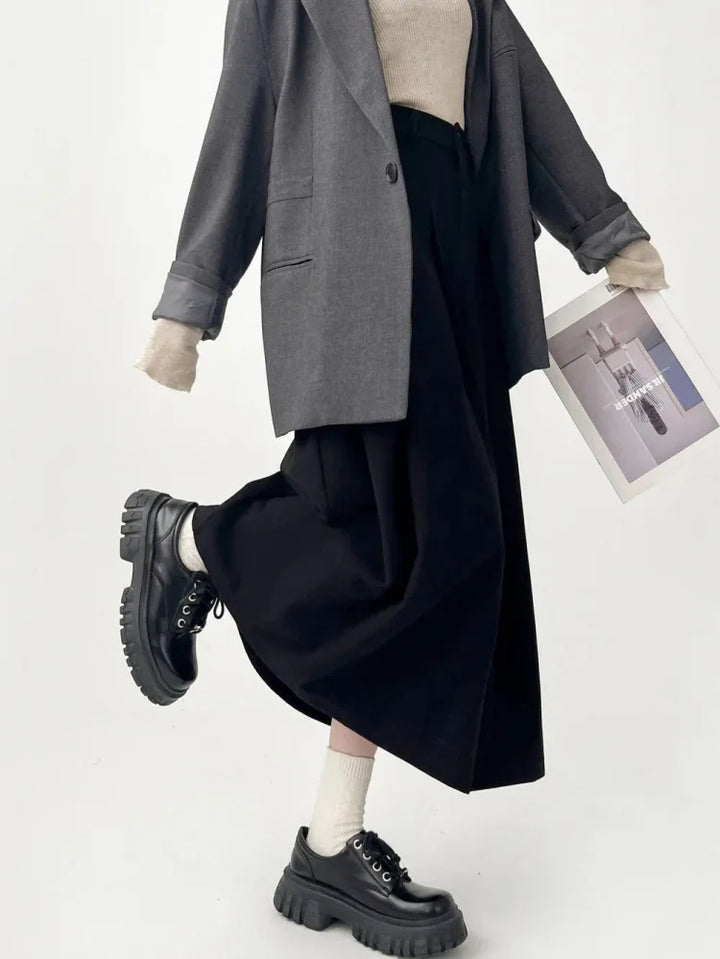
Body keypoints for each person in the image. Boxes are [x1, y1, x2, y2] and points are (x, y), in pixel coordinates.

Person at [119, 1, 668, 954]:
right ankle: (197, 539)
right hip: (349, 269)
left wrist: (602, 227)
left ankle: (328, 840)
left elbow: (527, 101)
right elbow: (242, 120)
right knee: (401, 539)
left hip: (458, 256)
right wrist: (189, 302)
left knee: (435, 548)